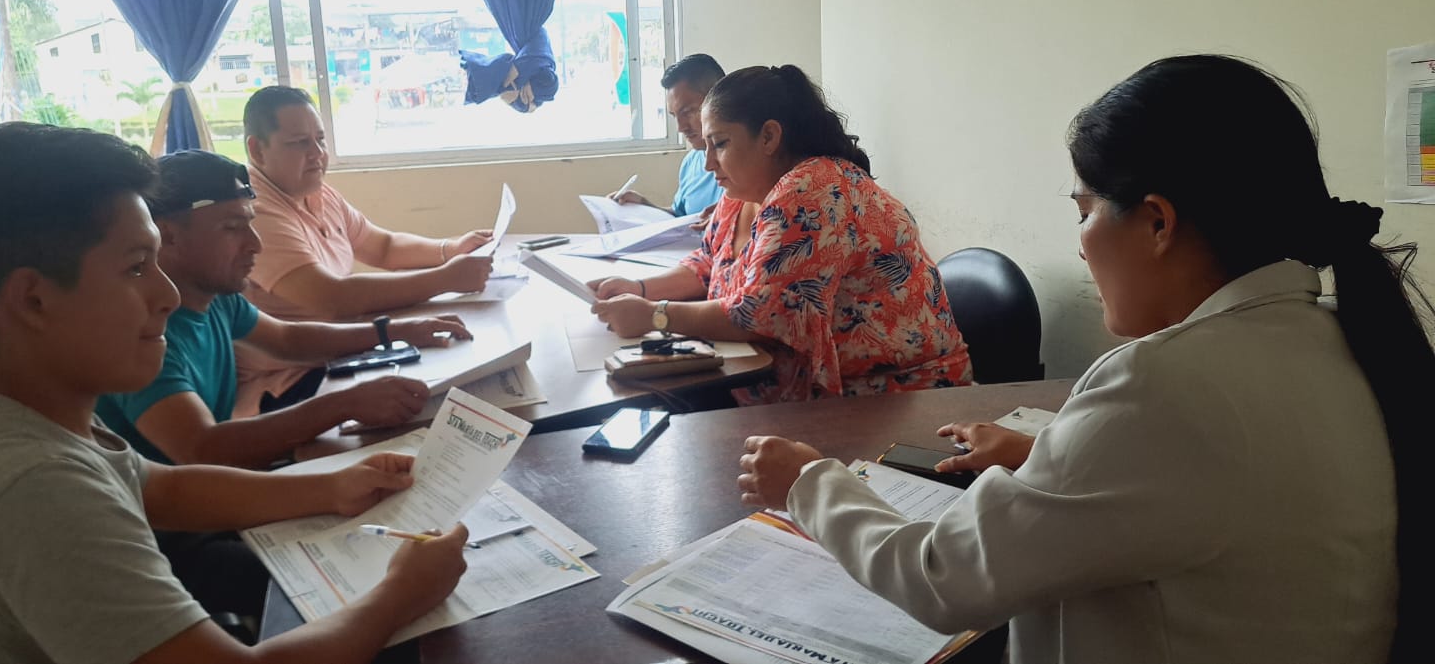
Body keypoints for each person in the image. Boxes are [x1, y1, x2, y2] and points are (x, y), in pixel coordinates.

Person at [738, 55, 1425, 664]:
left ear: (1157, 222)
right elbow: (1213, 483)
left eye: (1085, 210)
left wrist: (808, 484)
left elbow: (944, 577)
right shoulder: (1336, 338)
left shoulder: (1164, 384)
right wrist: (1049, 454)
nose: (1080, 242)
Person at [0, 122, 469, 664]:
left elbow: (160, 487)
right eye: (137, 267)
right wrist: (401, 592)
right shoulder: (34, 487)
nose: (167, 296)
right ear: (33, 300)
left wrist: (334, 486)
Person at [590, 65, 972, 404]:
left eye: (720, 144)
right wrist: (639, 289)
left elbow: (760, 316)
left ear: (769, 137)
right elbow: (707, 263)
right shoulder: (741, 194)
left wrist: (655, 316)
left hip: (894, 398)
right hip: (792, 388)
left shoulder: (813, 190)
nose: (708, 164)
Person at [97, 150, 471, 469]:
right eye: (232, 228)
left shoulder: (214, 295)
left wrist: (392, 332)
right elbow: (203, 448)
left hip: (222, 485)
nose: (255, 244)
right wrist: (344, 404)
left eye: (250, 224)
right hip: (182, 520)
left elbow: (288, 339)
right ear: (168, 235)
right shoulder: (143, 332)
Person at [236, 86, 493, 414]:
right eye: (299, 143)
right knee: (438, 403)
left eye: (320, 139)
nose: (317, 153)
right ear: (257, 150)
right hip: (291, 382)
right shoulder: (256, 212)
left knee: (464, 368)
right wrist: (445, 279)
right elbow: (333, 298)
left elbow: (383, 247)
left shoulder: (316, 192)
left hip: (344, 351)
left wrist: (450, 249)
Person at [607, 53, 727, 218]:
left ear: (719, 100)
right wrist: (643, 205)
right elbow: (681, 218)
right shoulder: (691, 163)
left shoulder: (742, 162)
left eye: (688, 111)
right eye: (674, 115)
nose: (681, 127)